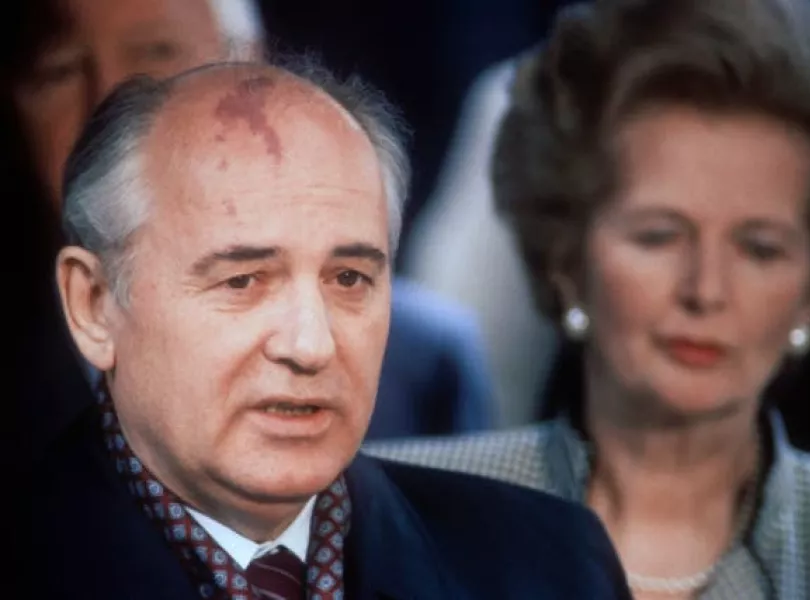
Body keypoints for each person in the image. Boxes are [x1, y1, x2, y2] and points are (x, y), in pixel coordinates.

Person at [27, 59, 631, 599]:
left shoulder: (553, 567)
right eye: (243, 281)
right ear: (93, 304)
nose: (310, 345)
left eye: (348, 279)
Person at [365, 0, 810, 598]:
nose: (706, 290)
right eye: (659, 236)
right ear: (568, 259)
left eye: (760, 249)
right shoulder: (395, 515)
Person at [10, 0, 495, 457]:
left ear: (250, 67)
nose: (107, 100)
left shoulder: (423, 366)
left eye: (156, 52)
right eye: (58, 71)